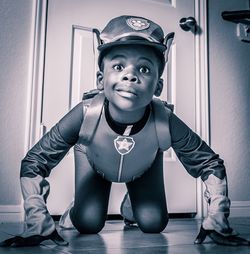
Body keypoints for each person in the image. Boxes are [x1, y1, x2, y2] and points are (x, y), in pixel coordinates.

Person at [0, 15, 249, 248]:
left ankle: (131, 204)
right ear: (100, 79)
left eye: (144, 69)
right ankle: (79, 205)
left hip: (143, 167)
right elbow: (35, 160)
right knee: (88, 223)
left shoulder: (165, 119)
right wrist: (37, 219)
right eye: (118, 66)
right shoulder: (85, 113)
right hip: (94, 161)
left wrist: (217, 218)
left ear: (158, 85)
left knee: (153, 224)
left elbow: (209, 163)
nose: (130, 75)